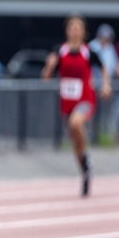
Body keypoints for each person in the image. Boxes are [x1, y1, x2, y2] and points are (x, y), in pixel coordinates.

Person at [42, 14, 111, 197]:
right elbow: (46, 78)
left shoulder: (89, 52)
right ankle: (85, 170)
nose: (74, 30)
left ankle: (85, 157)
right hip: (67, 103)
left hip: (85, 100)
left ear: (83, 32)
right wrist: (49, 66)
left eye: (78, 27)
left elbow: (103, 67)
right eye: (71, 27)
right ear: (67, 31)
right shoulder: (60, 51)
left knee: (75, 123)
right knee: (75, 142)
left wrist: (105, 85)